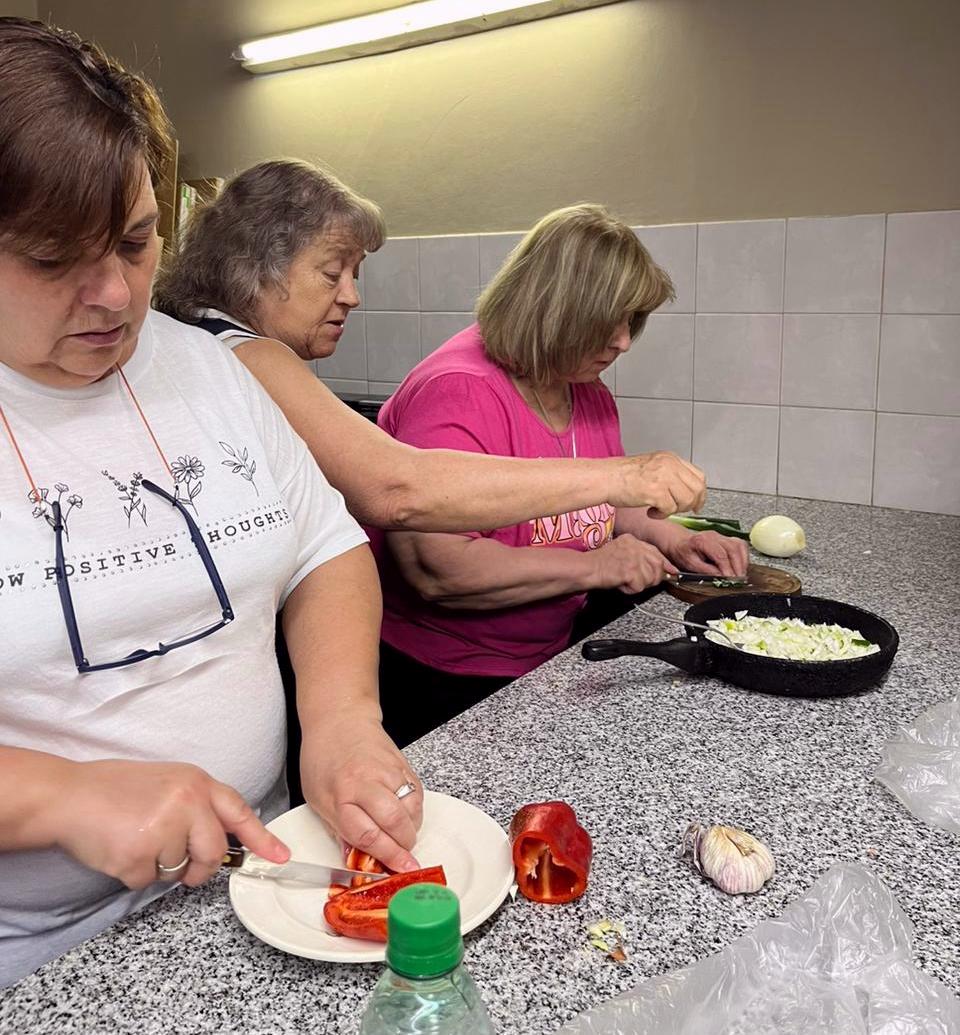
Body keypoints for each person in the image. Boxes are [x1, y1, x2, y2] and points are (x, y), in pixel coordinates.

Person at [0, 18, 420, 989]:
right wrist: (62, 797)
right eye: (56, 258)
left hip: (267, 878)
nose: (113, 294)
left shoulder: (207, 367)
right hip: (46, 958)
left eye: (138, 242)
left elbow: (326, 547)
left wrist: (345, 717)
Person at [153, 159, 709, 533]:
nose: (353, 296)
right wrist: (624, 476)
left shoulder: (197, 339)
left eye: (355, 272)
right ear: (255, 267)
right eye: (332, 272)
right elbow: (398, 488)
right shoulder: (244, 351)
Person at [371, 205, 749, 745]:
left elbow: (600, 499)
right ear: (554, 311)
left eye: (631, 323)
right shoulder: (458, 391)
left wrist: (673, 538)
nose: (622, 341)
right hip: (444, 681)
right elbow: (443, 572)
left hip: (547, 660)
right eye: (608, 322)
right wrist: (594, 569)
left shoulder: (585, 390)